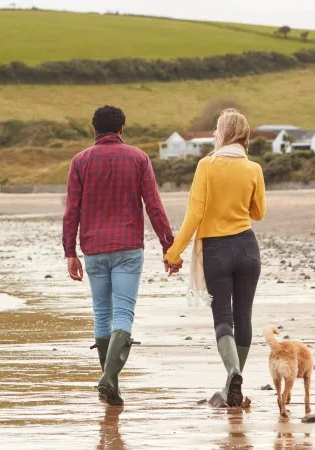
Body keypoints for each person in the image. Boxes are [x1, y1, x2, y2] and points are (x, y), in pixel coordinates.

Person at [63, 105, 178, 406]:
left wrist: (69, 252)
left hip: (93, 248)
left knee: (102, 312)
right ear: (122, 129)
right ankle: (108, 379)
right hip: (128, 247)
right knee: (123, 313)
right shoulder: (138, 158)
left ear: (94, 130)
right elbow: (153, 205)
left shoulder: (80, 161)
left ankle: (109, 382)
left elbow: (71, 211)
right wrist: (169, 246)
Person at [163, 108, 267, 407]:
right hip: (247, 247)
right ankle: (232, 385)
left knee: (223, 316)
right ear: (244, 136)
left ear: (222, 133)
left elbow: (194, 214)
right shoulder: (254, 169)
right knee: (243, 316)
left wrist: (174, 253)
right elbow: (258, 213)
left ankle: (233, 372)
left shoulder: (206, 166)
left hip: (216, 250)